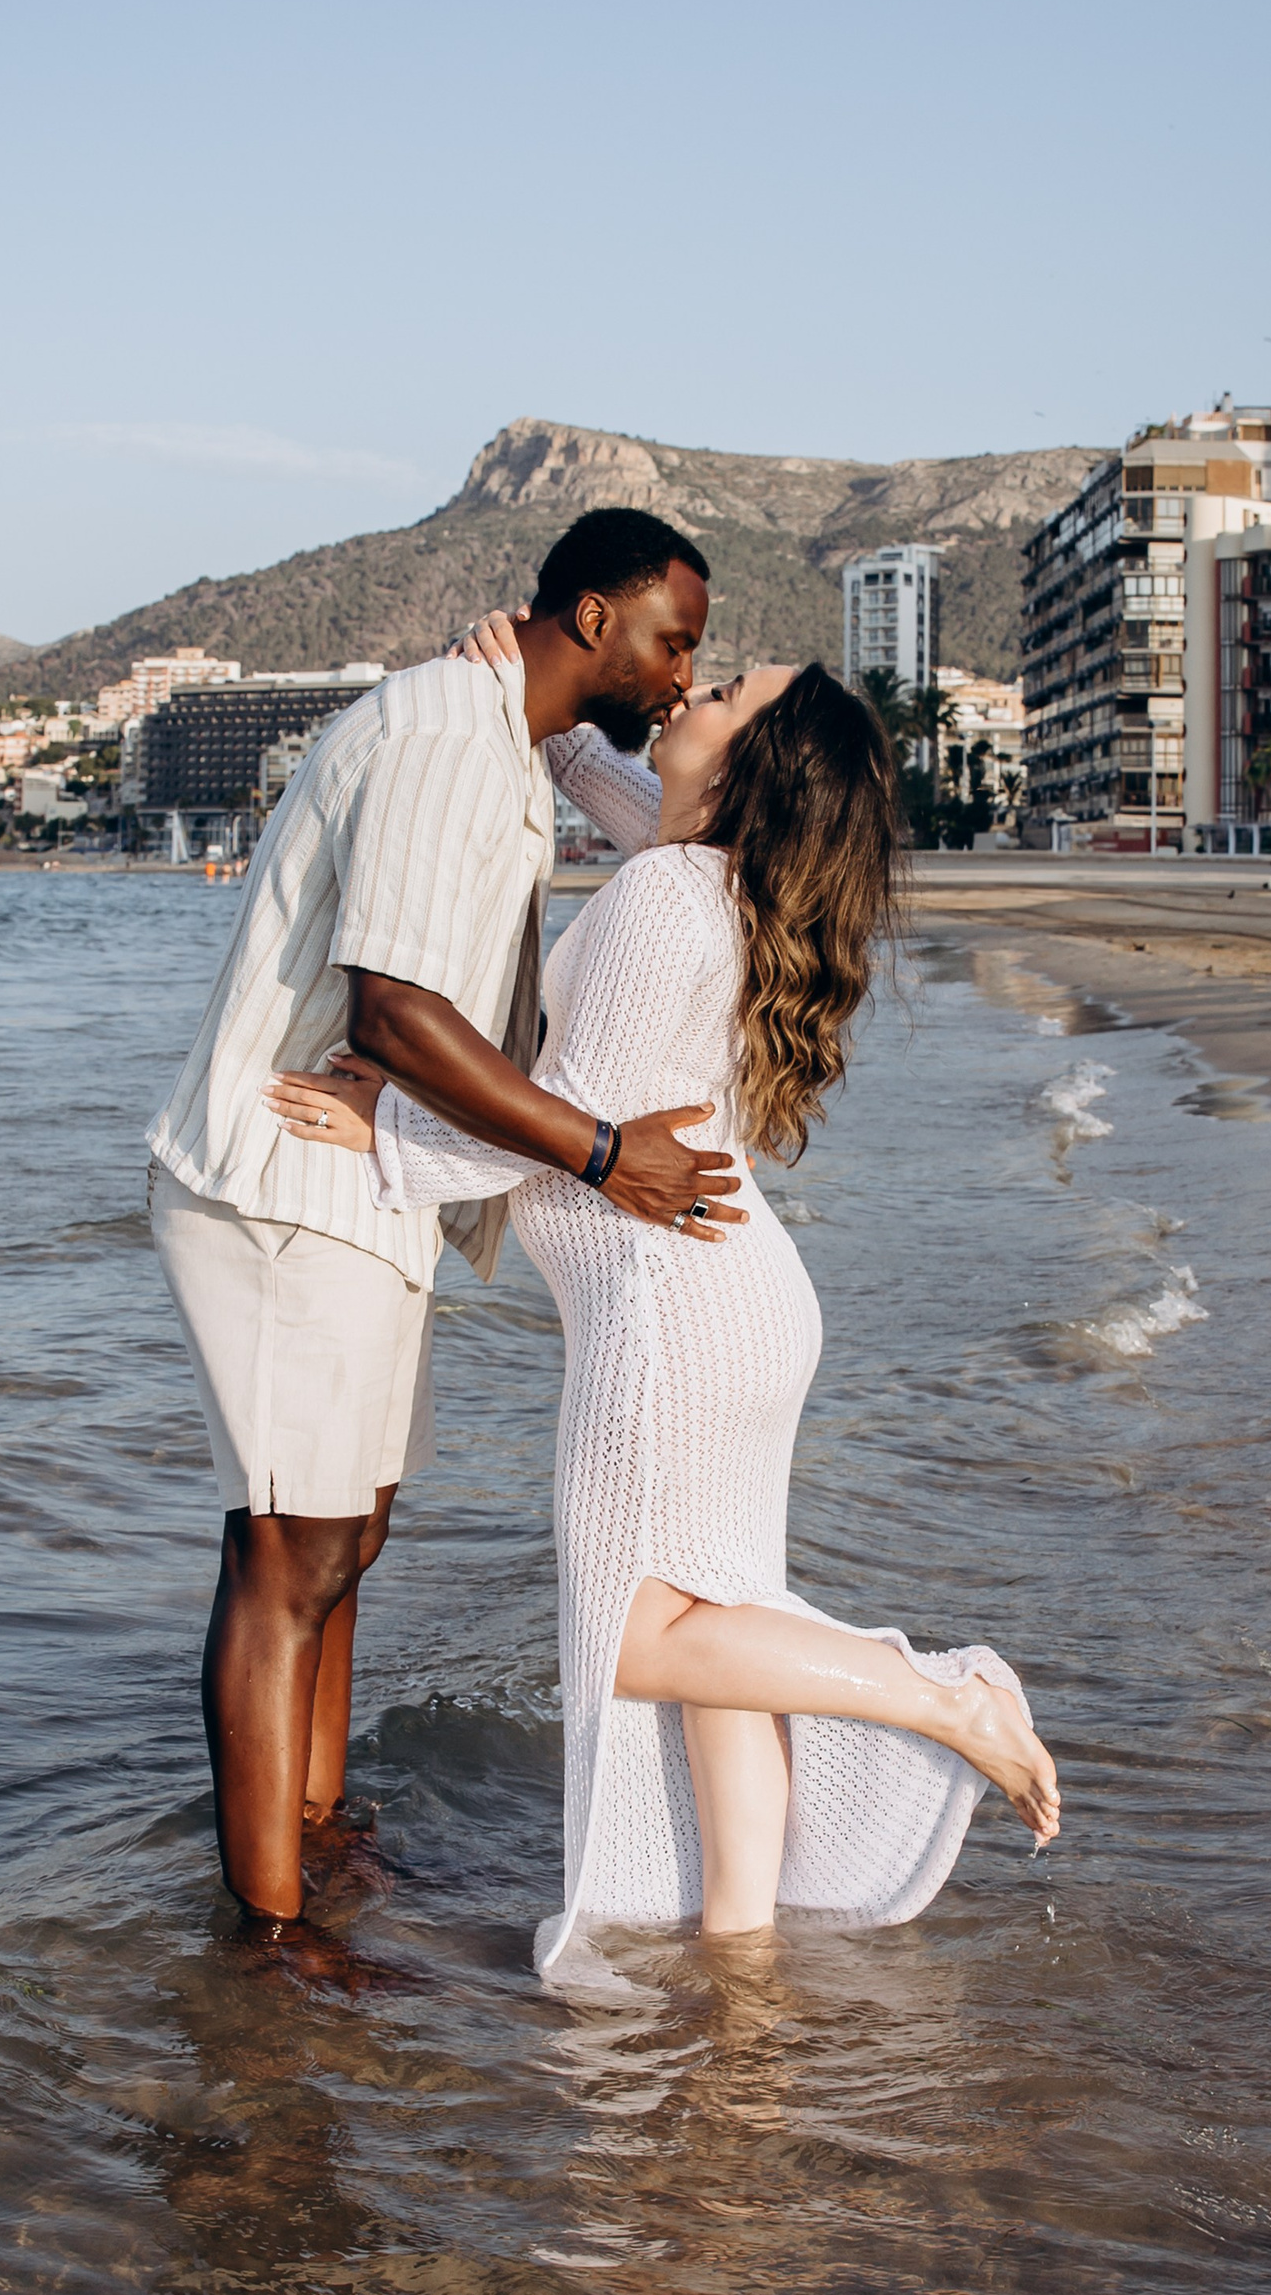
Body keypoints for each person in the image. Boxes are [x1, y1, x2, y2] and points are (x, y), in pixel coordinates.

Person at [267, 655, 1060, 1979]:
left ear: (753, 769)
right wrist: (552, 717)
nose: (691, 700)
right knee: (717, 1654)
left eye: (726, 697)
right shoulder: (727, 881)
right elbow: (650, 810)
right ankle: (739, 1958)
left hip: (665, 1320)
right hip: (733, 1310)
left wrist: (386, 1127)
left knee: (640, 1639)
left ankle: (946, 1699)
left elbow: (562, 1124)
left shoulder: (661, 897)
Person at [145, 507, 737, 1936]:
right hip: (281, 1177)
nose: (682, 675)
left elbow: (678, 826)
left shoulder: (504, 737)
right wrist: (605, 1157)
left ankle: (314, 1834)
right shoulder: (443, 737)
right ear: (593, 617)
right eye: (674, 644)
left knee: (344, 1543)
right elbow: (395, 1013)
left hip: (366, 1183)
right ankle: (271, 1938)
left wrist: (555, 719)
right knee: (290, 1555)